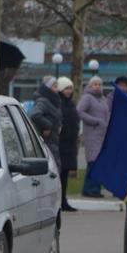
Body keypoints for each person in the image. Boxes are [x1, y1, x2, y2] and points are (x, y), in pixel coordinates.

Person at [76, 76, 110, 198]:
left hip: (102, 135)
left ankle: (88, 188)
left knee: (96, 162)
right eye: (94, 84)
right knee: (94, 161)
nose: (97, 86)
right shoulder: (87, 98)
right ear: (90, 86)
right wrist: (95, 121)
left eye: (99, 84)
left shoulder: (102, 98)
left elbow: (107, 114)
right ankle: (92, 189)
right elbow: (79, 111)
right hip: (92, 134)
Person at [29, 76, 62, 172]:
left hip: (53, 140)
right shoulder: (43, 101)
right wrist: (48, 125)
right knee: (52, 168)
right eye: (55, 86)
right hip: (47, 141)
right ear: (48, 88)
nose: (57, 89)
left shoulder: (53, 101)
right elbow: (35, 114)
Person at [57, 77, 80, 212]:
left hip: (69, 143)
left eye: (70, 88)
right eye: (66, 88)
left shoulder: (70, 104)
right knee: (59, 174)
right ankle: (59, 201)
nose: (69, 91)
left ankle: (63, 201)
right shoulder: (59, 103)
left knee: (65, 174)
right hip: (61, 143)